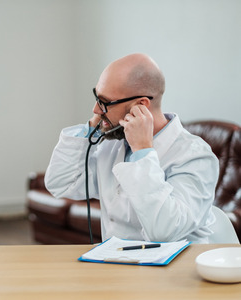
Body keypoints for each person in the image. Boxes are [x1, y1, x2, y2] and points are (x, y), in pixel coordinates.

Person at [45, 53, 219, 243]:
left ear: (141, 105)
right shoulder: (113, 145)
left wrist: (143, 151)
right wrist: (92, 127)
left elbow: (165, 230)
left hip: (175, 269)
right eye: (97, 98)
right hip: (116, 264)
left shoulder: (195, 156)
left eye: (104, 102)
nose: (95, 109)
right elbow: (60, 183)